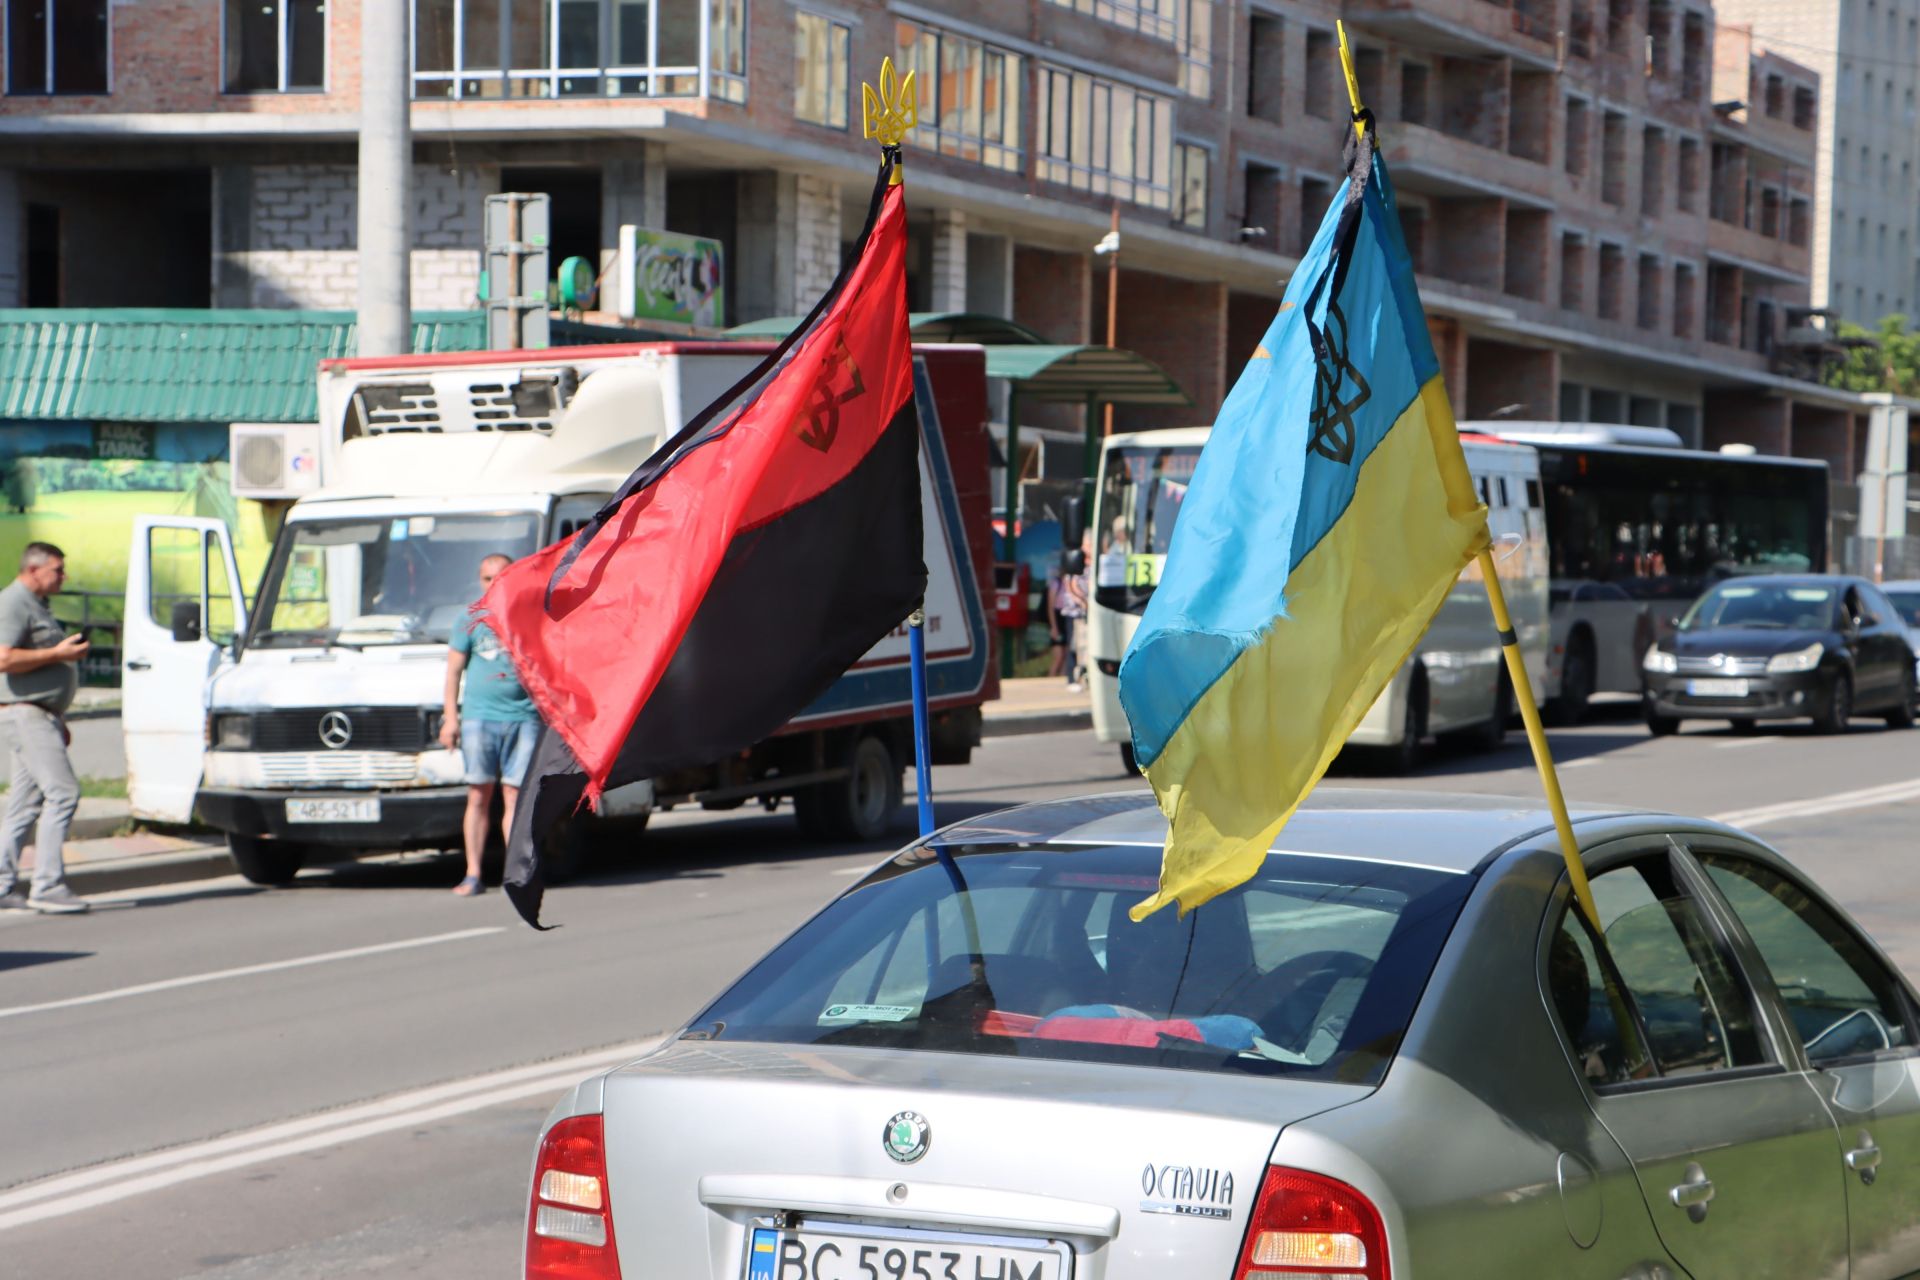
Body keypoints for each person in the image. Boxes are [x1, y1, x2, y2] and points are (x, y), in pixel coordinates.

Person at [439, 554, 542, 897]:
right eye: (486, 579)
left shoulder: (529, 615)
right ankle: (473, 873)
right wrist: (450, 718)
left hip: (524, 717)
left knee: (515, 796)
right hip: (479, 718)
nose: (493, 584)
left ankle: (516, 874)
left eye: (500, 577)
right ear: (479, 581)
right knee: (479, 794)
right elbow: (453, 673)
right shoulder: (469, 619)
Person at [0, 542, 91, 914]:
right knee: (64, 793)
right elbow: (3, 657)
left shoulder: (36, 605)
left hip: (39, 714)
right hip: (26, 714)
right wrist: (58, 654)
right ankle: (48, 885)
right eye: (57, 570)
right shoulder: (14, 602)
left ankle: (2, 885)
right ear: (34, 569)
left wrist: (58, 716)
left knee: (24, 805)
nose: (63, 577)